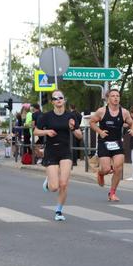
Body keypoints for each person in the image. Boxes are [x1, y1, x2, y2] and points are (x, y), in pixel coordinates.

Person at [33, 90, 83, 221]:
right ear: (52, 102)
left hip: (65, 151)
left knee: (64, 184)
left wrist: (72, 128)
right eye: (55, 98)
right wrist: (47, 132)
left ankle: (59, 211)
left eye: (60, 97)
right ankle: (49, 182)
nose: (58, 100)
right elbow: (35, 132)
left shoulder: (70, 116)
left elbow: (79, 135)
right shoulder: (46, 116)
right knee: (54, 187)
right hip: (51, 152)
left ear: (64, 100)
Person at [90, 87, 133, 202]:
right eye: (113, 96)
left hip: (117, 143)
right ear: (108, 99)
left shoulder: (124, 112)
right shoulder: (102, 111)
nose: (115, 98)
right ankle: (100, 173)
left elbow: (132, 124)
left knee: (118, 168)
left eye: (117, 96)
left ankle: (112, 193)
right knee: (106, 169)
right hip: (104, 143)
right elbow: (91, 122)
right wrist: (100, 132)